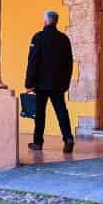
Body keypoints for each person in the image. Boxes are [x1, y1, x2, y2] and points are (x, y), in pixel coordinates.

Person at [25, 11, 76, 152]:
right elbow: (69, 63)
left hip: (41, 84)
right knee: (61, 112)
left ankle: (38, 142)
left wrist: (29, 83)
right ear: (56, 22)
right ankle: (68, 138)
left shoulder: (38, 38)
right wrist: (66, 83)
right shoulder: (64, 39)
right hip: (58, 84)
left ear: (45, 21)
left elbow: (33, 62)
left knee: (40, 114)